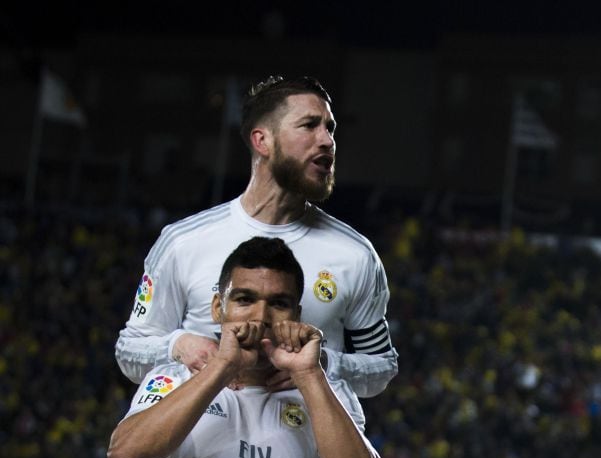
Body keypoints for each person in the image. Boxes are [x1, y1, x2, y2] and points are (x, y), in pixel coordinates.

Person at [115, 75, 397, 403]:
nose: (327, 141)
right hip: (199, 450)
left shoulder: (356, 255)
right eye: (309, 125)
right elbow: (129, 350)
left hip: (300, 450)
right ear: (262, 141)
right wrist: (178, 346)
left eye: (330, 128)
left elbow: (381, 367)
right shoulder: (183, 241)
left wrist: (323, 364)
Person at [108, 236, 385, 458]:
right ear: (218, 308)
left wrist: (309, 375)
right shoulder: (173, 378)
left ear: (296, 315)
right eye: (244, 299)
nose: (260, 316)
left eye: (278, 304)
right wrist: (222, 367)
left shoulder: (326, 388)